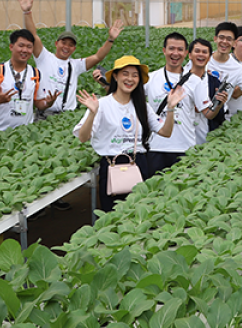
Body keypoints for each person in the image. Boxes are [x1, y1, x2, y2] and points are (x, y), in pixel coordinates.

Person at [76, 55, 184, 212]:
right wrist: (92, 113)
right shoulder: (101, 104)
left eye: (135, 75)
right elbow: (83, 137)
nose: (130, 79)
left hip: (139, 163)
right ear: (115, 76)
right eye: (125, 73)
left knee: (139, 214)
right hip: (112, 165)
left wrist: (170, 108)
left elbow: (165, 132)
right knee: (112, 217)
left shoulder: (142, 106)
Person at [17, 0, 122, 116]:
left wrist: (110, 39)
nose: (66, 47)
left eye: (71, 45)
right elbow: (33, 35)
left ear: (74, 49)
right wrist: (27, 12)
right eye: (63, 42)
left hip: (67, 116)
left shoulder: (75, 65)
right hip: (44, 114)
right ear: (56, 44)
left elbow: (98, 56)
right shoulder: (44, 57)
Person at [144, 32, 213, 177]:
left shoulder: (194, 81)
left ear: (186, 53)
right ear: (164, 50)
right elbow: (128, 98)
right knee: (154, 192)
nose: (175, 53)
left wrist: (219, 103)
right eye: (171, 48)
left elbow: (208, 112)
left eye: (180, 49)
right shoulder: (150, 79)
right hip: (156, 146)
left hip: (185, 147)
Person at [0, 29, 59, 135]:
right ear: (11, 47)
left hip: (25, 134)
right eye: (21, 45)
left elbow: (38, 104)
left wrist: (48, 103)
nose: (25, 50)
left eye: (29, 47)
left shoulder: (35, 74)